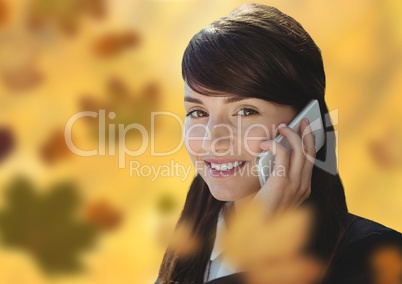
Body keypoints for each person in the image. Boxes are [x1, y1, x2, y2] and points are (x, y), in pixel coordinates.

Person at [156, 3, 402, 284]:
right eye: (198, 113)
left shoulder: (377, 258)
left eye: (246, 112)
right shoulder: (187, 252)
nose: (213, 139)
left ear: (306, 124)